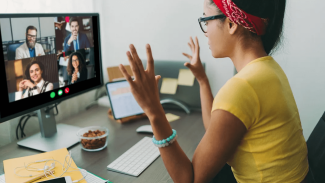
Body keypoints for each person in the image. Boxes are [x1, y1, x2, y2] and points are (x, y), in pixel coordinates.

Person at [118, 0, 309, 183]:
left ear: (232, 23)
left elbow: (189, 180)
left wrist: (154, 111)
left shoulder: (243, 87)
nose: (205, 32)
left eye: (205, 20)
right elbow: (216, 131)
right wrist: (202, 79)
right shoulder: (269, 69)